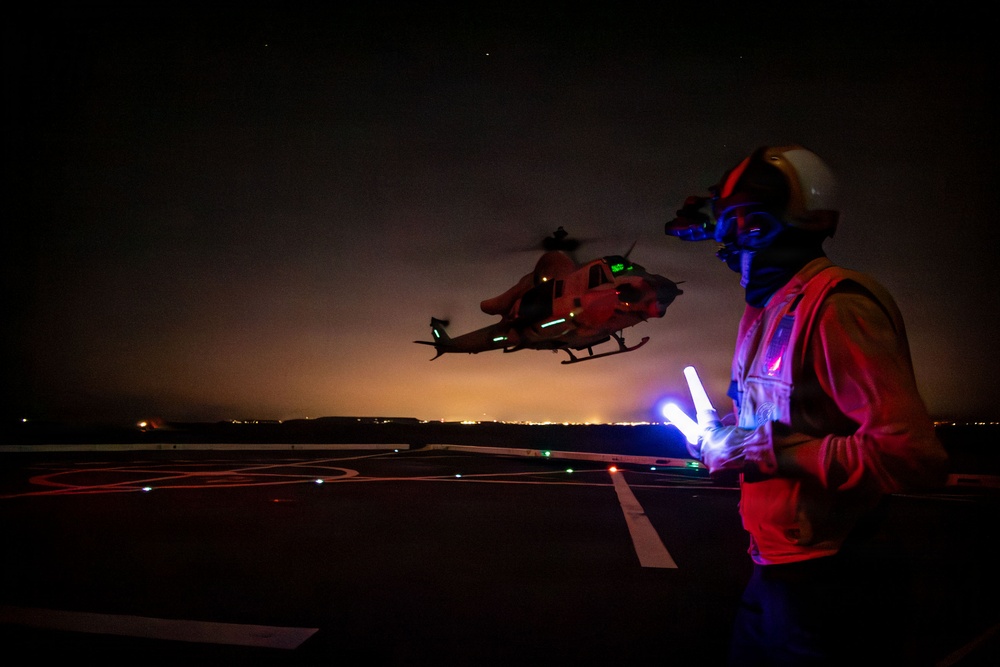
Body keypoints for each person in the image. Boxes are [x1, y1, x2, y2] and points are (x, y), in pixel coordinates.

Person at [664, 144, 949, 666]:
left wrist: (770, 454)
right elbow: (783, 426)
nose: (727, 247)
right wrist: (721, 438)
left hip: (834, 578)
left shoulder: (838, 306)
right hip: (776, 568)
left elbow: (913, 455)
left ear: (773, 225)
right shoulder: (770, 310)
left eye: (740, 227)